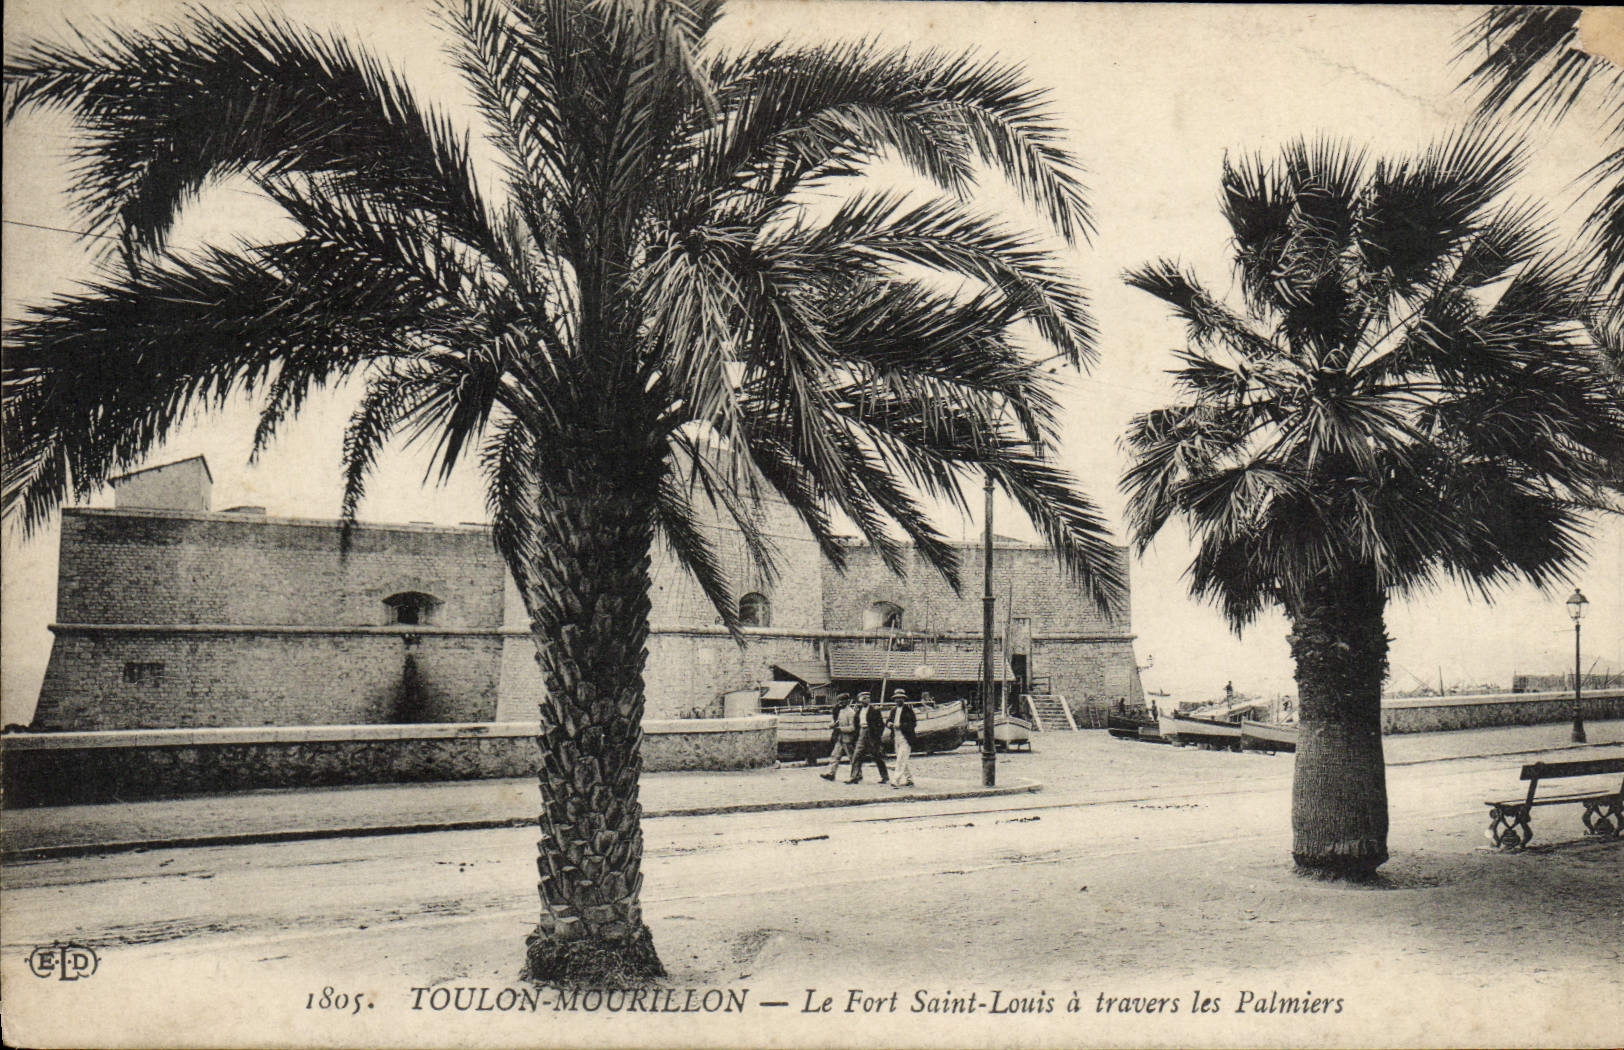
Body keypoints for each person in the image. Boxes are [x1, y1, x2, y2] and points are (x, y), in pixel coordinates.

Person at [846, 692, 889, 784]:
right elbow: (856, 724)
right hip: (862, 733)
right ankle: (854, 776)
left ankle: (885, 777)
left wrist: (877, 736)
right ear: (860, 700)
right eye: (864, 698)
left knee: (877, 756)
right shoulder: (858, 712)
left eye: (868, 698)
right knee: (856, 755)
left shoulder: (875, 711)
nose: (866, 700)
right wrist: (857, 736)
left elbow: (881, 725)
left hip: (872, 734)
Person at [819, 693, 856, 781]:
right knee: (835, 756)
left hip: (848, 739)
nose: (840, 702)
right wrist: (831, 725)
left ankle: (857, 774)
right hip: (840, 738)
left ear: (847, 701)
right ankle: (831, 774)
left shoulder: (851, 713)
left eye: (842, 700)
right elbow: (835, 721)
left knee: (852, 758)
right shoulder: (839, 711)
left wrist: (840, 729)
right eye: (839, 700)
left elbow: (853, 728)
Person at [887, 687, 917, 787]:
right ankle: (909, 779)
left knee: (900, 759)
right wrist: (889, 724)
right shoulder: (893, 710)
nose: (898, 700)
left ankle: (896, 780)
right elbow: (888, 721)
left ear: (904, 699)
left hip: (906, 737)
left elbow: (913, 724)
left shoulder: (908, 711)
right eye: (896, 698)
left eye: (901, 698)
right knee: (902, 759)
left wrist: (901, 725)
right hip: (896, 737)